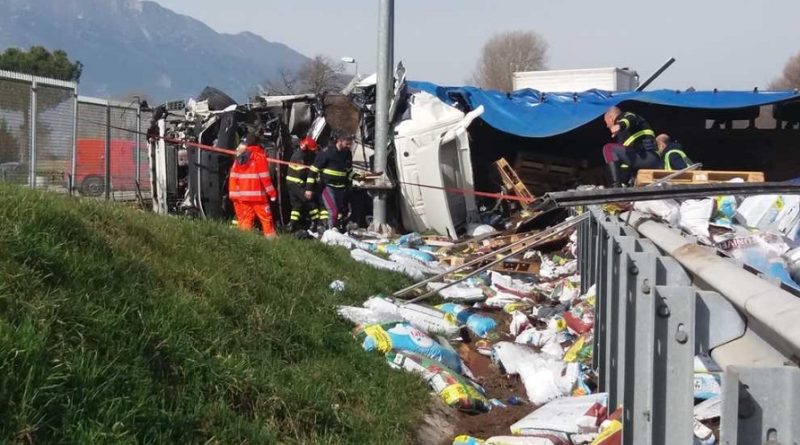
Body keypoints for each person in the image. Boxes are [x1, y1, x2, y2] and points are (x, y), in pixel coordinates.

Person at [305, 131, 358, 230]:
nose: (349, 146)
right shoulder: (326, 153)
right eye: (347, 143)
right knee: (332, 212)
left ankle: (332, 231)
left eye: (350, 143)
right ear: (340, 141)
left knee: (337, 212)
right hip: (327, 187)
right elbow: (313, 170)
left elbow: (349, 171)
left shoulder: (347, 153)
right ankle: (330, 233)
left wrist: (358, 177)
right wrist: (309, 189)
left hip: (340, 188)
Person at [229, 133, 278, 237]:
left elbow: (235, 177)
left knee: (246, 220)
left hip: (244, 196)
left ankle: (244, 241)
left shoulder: (240, 157)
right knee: (266, 219)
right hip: (258, 197)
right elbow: (265, 178)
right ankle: (272, 242)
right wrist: (272, 193)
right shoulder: (259, 157)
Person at [602, 106, 662, 187]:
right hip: (647, 160)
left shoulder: (626, 116)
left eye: (606, 122)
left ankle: (616, 186)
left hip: (647, 156)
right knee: (616, 160)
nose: (607, 126)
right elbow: (625, 161)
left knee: (608, 148)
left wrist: (620, 125)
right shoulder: (624, 136)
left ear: (610, 118)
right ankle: (621, 184)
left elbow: (630, 118)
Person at [286, 136, 320, 231]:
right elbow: (303, 173)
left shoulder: (298, 154)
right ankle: (317, 223)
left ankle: (291, 225)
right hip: (297, 183)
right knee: (310, 202)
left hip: (291, 184)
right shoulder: (300, 157)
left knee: (296, 205)